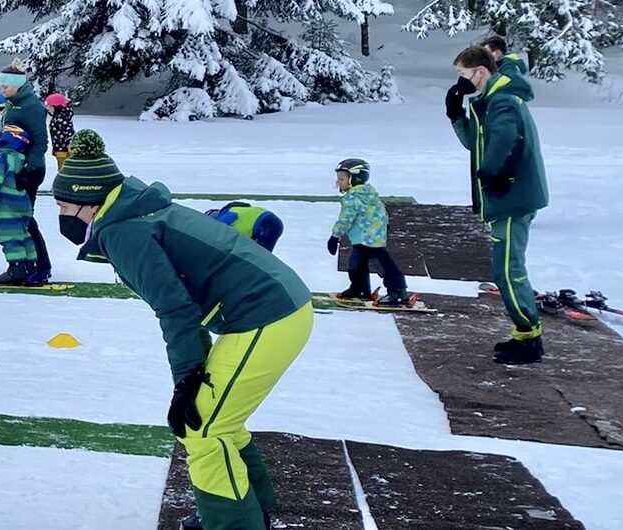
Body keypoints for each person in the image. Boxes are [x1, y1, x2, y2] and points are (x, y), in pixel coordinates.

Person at [49, 131, 313, 530]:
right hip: (274, 307)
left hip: (268, 314)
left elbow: (174, 307)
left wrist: (186, 380)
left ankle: (234, 523)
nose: (62, 215)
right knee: (216, 419)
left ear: (91, 201)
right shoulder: (133, 214)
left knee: (202, 427)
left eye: (64, 205)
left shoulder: (124, 231)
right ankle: (241, 510)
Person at [449, 46, 550, 365]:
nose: (461, 81)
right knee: (506, 266)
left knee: (508, 268)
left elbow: (505, 137)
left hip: (511, 196)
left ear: (480, 71)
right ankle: (525, 334)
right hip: (506, 195)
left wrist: (493, 171)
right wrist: (456, 114)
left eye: (464, 75)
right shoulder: (491, 98)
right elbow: (475, 142)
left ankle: (530, 337)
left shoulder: (502, 99)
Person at [0, 60, 54, 285]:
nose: (2, 89)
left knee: (24, 218)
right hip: (15, 168)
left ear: (18, 85)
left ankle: (40, 266)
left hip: (30, 170)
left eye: (6, 86)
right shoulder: (13, 103)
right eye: (1, 85)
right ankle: (26, 265)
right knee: (19, 217)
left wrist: (29, 169)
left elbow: (41, 142)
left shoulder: (31, 106)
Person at [326, 159, 411, 307]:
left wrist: (335, 236)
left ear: (355, 178)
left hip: (369, 239)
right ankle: (360, 289)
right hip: (371, 236)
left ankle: (398, 292)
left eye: (342, 179)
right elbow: (383, 214)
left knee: (382, 265)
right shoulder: (370, 194)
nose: (338, 182)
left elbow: (345, 220)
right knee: (356, 262)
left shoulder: (352, 197)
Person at [0, 125, 41, 286]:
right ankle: (31, 268)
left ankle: (16, 270)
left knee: (10, 236)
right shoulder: (21, 158)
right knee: (25, 236)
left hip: (8, 205)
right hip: (24, 204)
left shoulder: (0, 157)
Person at [202, 202, 284, 252]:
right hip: (272, 223)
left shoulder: (226, 215)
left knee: (260, 258)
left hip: (267, 224)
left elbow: (216, 236)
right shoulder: (238, 210)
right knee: (261, 256)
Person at [45, 93, 76, 167]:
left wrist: (68, 148)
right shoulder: (58, 117)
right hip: (59, 149)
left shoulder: (61, 119)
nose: (48, 109)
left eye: (50, 107)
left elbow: (68, 134)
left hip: (64, 151)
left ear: (57, 107)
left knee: (63, 169)